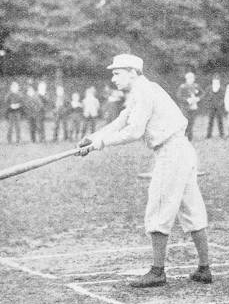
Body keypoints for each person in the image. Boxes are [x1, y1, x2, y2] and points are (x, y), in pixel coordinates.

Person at [78, 54, 212, 287]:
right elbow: (121, 121)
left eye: (117, 73)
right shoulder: (145, 90)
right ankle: (204, 268)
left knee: (159, 207)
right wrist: (93, 137)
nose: (113, 78)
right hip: (182, 151)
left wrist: (100, 144)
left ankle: (157, 272)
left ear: (132, 71)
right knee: (191, 208)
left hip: (172, 153)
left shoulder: (144, 92)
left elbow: (134, 131)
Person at [176, 72, 202, 141]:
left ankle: (190, 137)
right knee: (185, 122)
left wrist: (198, 98)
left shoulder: (196, 86)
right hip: (185, 108)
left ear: (194, 79)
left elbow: (203, 93)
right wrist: (187, 100)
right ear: (186, 79)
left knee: (191, 122)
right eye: (189, 78)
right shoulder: (182, 87)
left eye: (192, 78)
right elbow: (178, 96)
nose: (190, 80)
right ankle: (184, 136)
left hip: (193, 107)